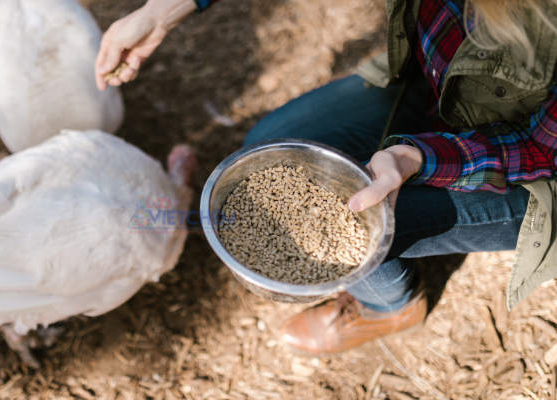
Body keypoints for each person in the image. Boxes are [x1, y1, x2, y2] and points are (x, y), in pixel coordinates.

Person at [95, 0, 557, 355]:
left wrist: (418, 157)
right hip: (438, 81)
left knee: (367, 226)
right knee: (270, 146)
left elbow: (540, 147)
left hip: (534, 163)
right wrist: (162, 11)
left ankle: (388, 309)